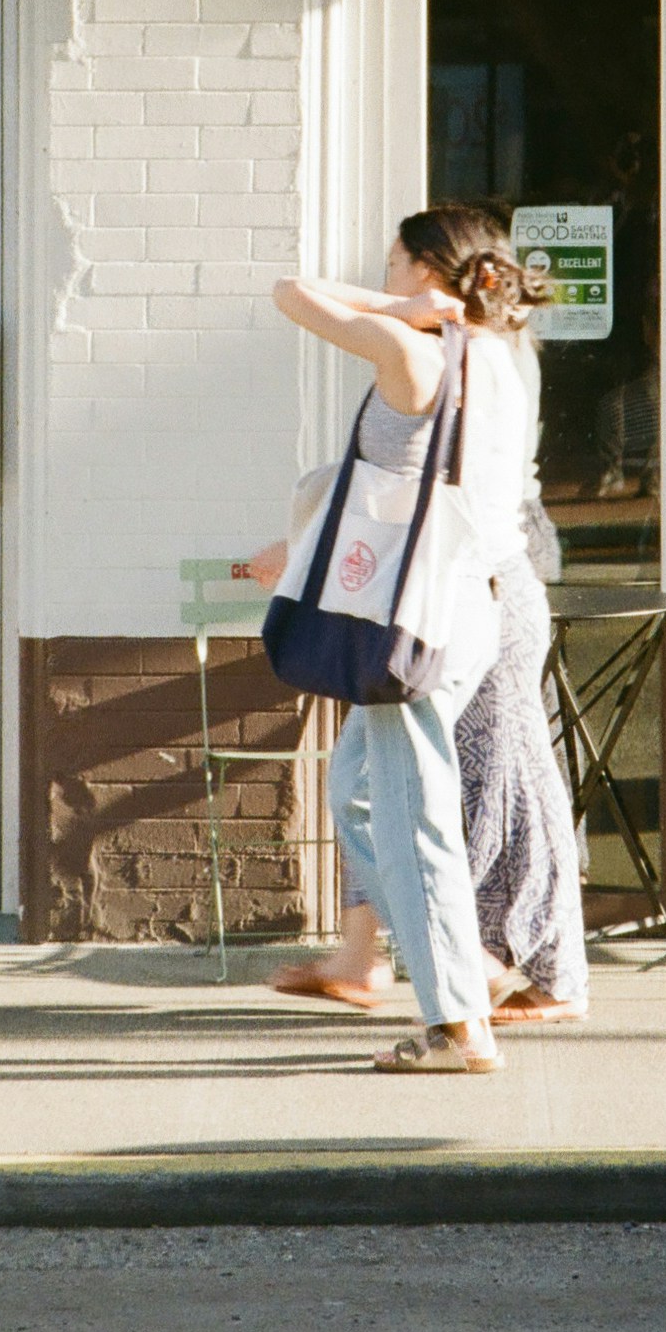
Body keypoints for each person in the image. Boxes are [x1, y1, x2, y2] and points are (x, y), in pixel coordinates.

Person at [248, 209, 586, 1067]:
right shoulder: (498, 358)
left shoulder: (413, 354)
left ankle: (455, 1020)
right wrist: (430, 305)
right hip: (477, 594)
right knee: (366, 790)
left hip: (416, 608)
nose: (382, 272)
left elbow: (291, 292)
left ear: (426, 273)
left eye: (394, 261)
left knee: (410, 813)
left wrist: (408, 311)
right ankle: (457, 976)